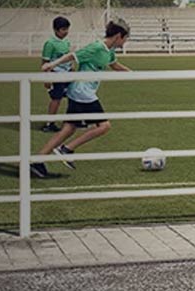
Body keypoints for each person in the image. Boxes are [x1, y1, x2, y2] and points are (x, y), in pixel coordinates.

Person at [30, 21, 131, 178]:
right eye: (125, 39)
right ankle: (67, 149)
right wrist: (51, 65)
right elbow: (72, 56)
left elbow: (115, 65)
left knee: (68, 129)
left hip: (81, 92)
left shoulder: (109, 51)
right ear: (118, 36)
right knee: (104, 126)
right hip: (82, 92)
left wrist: (133, 73)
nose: (125, 42)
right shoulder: (96, 47)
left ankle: (37, 162)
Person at [39, 16, 72, 133]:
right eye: (63, 29)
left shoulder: (67, 42)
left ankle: (73, 120)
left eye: (67, 29)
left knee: (74, 96)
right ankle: (49, 123)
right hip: (56, 74)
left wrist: (72, 70)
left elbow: (68, 57)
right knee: (56, 99)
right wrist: (46, 78)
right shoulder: (50, 43)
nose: (66, 32)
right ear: (55, 30)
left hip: (68, 74)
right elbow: (45, 62)